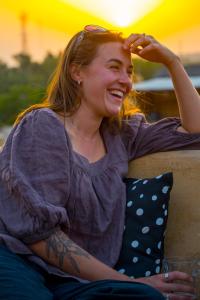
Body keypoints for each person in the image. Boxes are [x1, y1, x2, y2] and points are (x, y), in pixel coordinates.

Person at [0, 24, 199, 300]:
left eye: (129, 71)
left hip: (73, 279)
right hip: (19, 260)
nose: (126, 81)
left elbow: (196, 128)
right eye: (114, 67)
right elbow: (42, 237)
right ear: (77, 72)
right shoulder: (42, 127)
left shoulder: (123, 135)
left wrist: (172, 62)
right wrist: (134, 282)